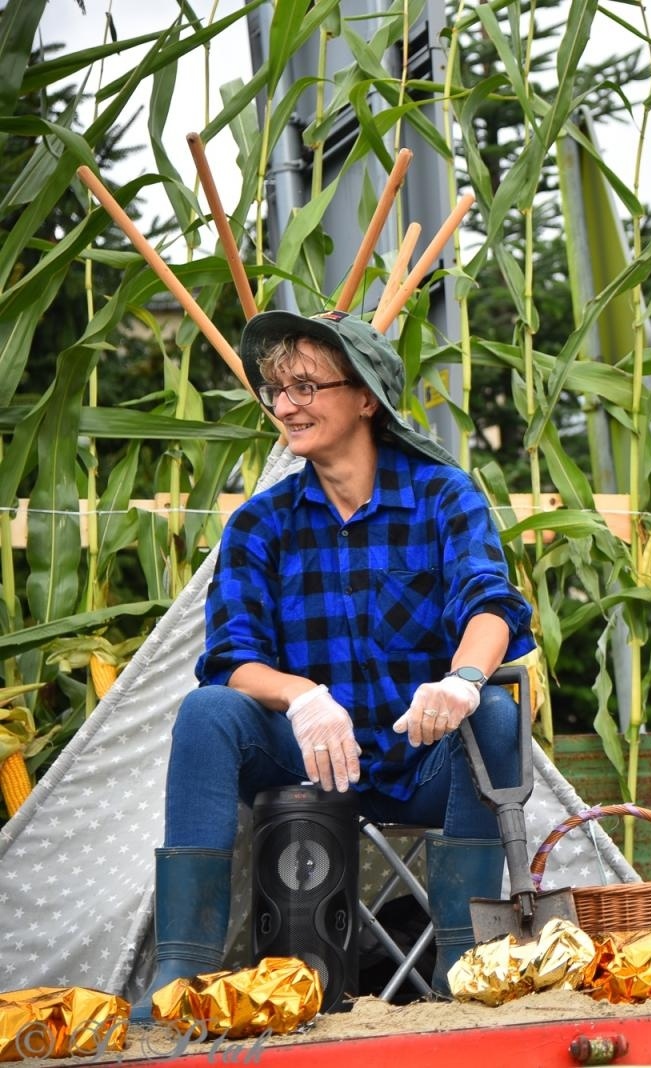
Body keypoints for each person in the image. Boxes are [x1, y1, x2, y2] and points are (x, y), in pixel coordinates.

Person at [134, 309, 534, 1015]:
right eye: (276, 392)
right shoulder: (259, 523)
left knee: (497, 715)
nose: (286, 407)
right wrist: (303, 698)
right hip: (310, 766)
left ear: (367, 398)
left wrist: (463, 681)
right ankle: (181, 972)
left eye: (306, 387)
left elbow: (490, 605)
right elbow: (230, 657)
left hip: (422, 761)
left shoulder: (443, 496)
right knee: (208, 711)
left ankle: (464, 960)